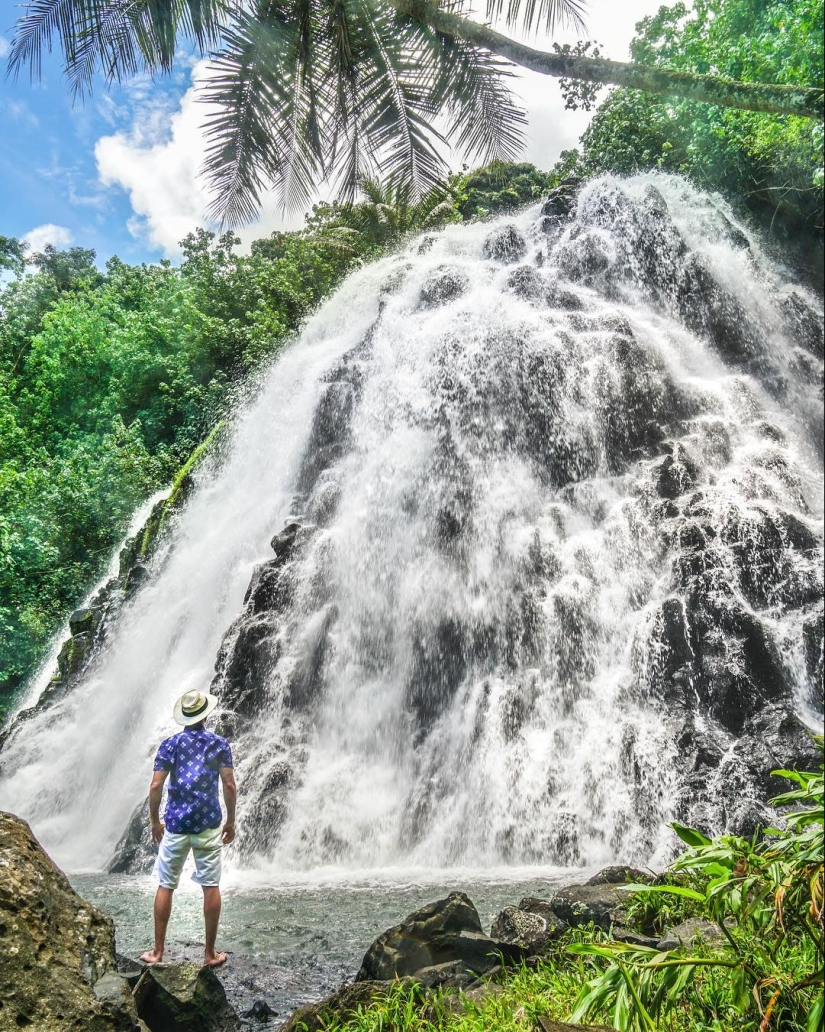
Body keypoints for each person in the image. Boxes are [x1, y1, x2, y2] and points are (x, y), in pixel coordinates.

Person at [139, 689, 237, 968]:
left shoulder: (170, 744)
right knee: (211, 886)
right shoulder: (219, 744)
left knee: (166, 884)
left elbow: (156, 785)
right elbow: (229, 785)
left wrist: (155, 821)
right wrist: (230, 820)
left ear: (184, 717)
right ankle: (209, 953)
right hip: (207, 824)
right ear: (205, 715)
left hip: (176, 825)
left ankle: (157, 951)